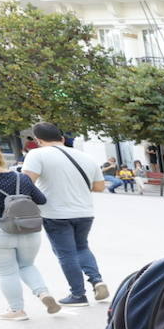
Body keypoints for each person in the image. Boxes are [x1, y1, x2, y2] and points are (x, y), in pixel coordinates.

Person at [20, 122, 108, 307]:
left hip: (55, 213)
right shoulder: (86, 157)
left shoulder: (36, 154)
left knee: (66, 254)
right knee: (82, 247)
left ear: (38, 140)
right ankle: (97, 280)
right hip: (85, 211)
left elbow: (26, 183)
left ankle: (78, 295)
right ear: (61, 138)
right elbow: (99, 187)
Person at [0, 144, 60, 320]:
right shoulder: (21, 178)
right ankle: (43, 294)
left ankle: (17, 310)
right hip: (26, 228)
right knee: (27, 265)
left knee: (6, 272)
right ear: (1, 158)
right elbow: (41, 200)